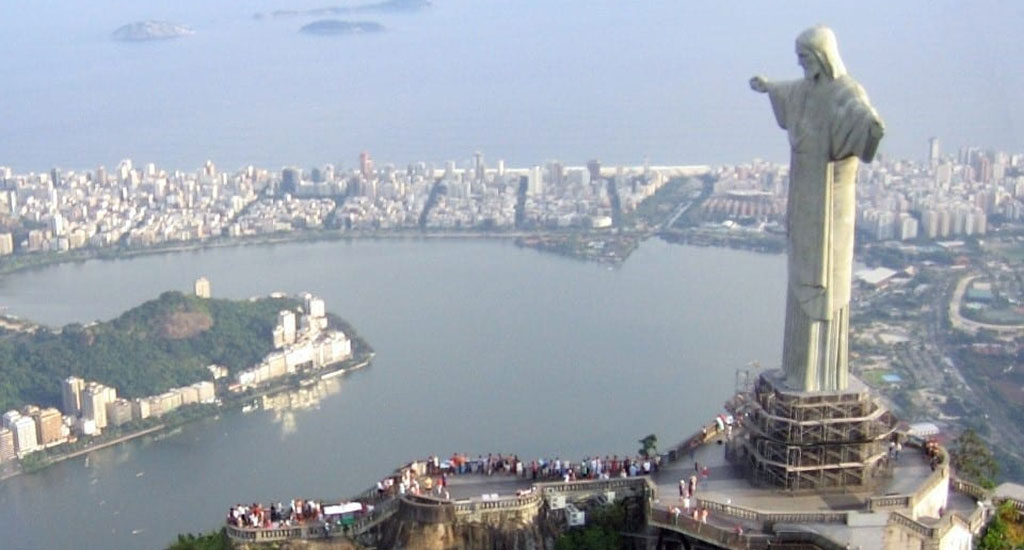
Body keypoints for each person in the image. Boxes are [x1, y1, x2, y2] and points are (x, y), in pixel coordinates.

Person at [750, 26, 884, 392]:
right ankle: (797, 372)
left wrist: (870, 125)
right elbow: (787, 91)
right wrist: (767, 86)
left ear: (823, 55)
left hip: (831, 201)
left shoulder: (846, 92)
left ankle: (822, 377)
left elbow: (862, 122)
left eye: (806, 58)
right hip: (804, 196)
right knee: (800, 275)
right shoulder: (805, 90)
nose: (801, 64)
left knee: (826, 280)